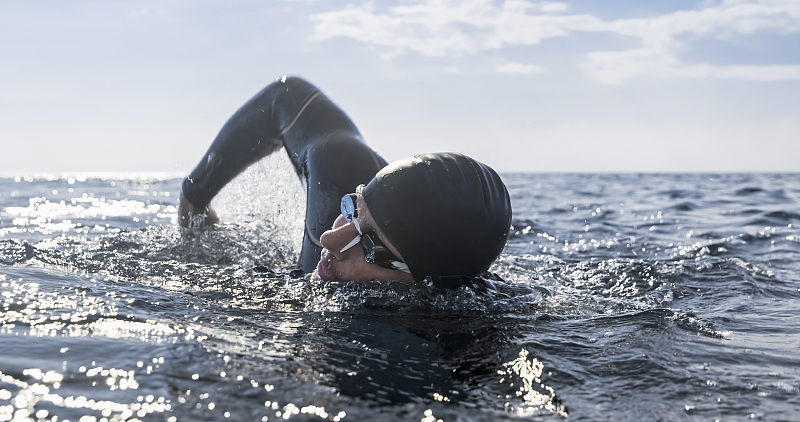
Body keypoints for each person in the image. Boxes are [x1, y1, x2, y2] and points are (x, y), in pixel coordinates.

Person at [179, 76, 511, 284]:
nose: (329, 240)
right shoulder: (338, 171)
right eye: (351, 210)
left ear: (428, 284)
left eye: (370, 246)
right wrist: (195, 196)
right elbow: (287, 96)